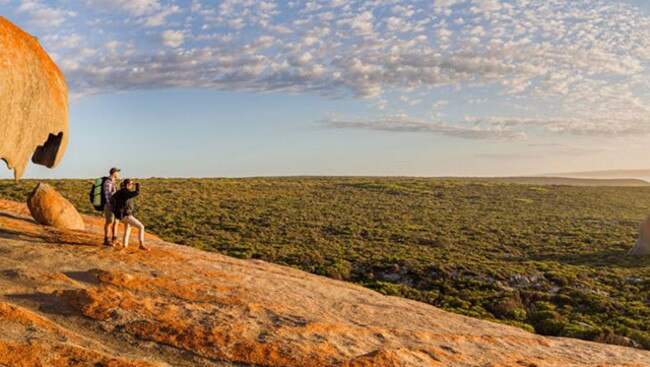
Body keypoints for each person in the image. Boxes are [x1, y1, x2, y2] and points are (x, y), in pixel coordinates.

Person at [111, 179, 149, 250]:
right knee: (141, 227)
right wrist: (137, 186)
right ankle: (141, 244)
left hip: (120, 215)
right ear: (128, 184)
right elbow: (136, 193)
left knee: (128, 229)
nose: (132, 185)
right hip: (126, 215)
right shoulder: (125, 192)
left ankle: (124, 245)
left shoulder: (119, 192)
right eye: (131, 184)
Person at [103, 167, 120, 246]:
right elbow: (107, 196)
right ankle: (106, 239)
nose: (118, 174)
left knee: (116, 222)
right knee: (109, 222)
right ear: (114, 173)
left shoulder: (113, 182)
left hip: (115, 206)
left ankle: (114, 239)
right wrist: (111, 206)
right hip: (109, 205)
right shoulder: (108, 182)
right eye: (117, 172)